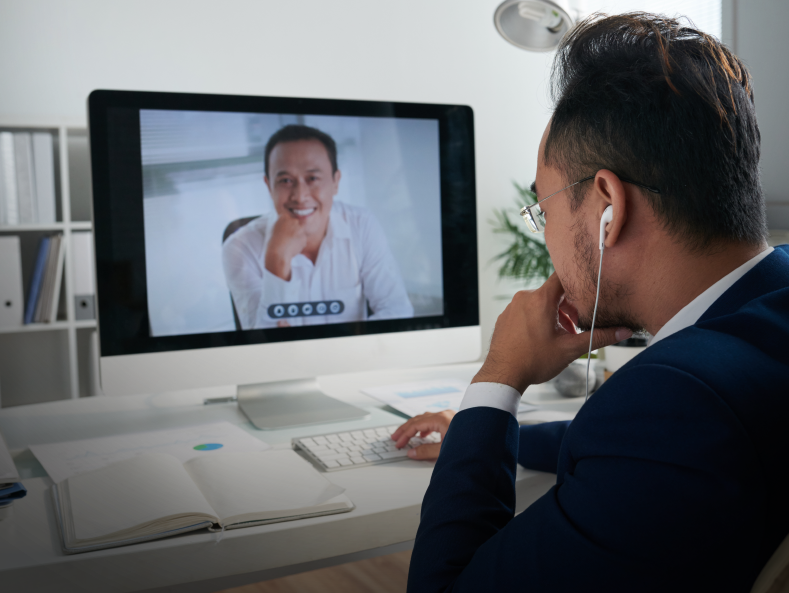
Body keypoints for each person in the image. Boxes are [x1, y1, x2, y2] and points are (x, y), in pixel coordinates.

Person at [393, 13, 789, 593]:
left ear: (608, 206)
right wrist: (493, 436)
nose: (546, 236)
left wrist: (498, 379)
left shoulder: (677, 401)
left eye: (544, 209)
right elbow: (634, 455)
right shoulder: (752, 338)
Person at [222, 124, 413, 329]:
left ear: (335, 182)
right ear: (269, 186)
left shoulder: (361, 224)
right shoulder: (239, 248)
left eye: (312, 178)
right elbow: (260, 345)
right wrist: (277, 261)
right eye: (285, 180)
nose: (300, 196)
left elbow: (397, 310)